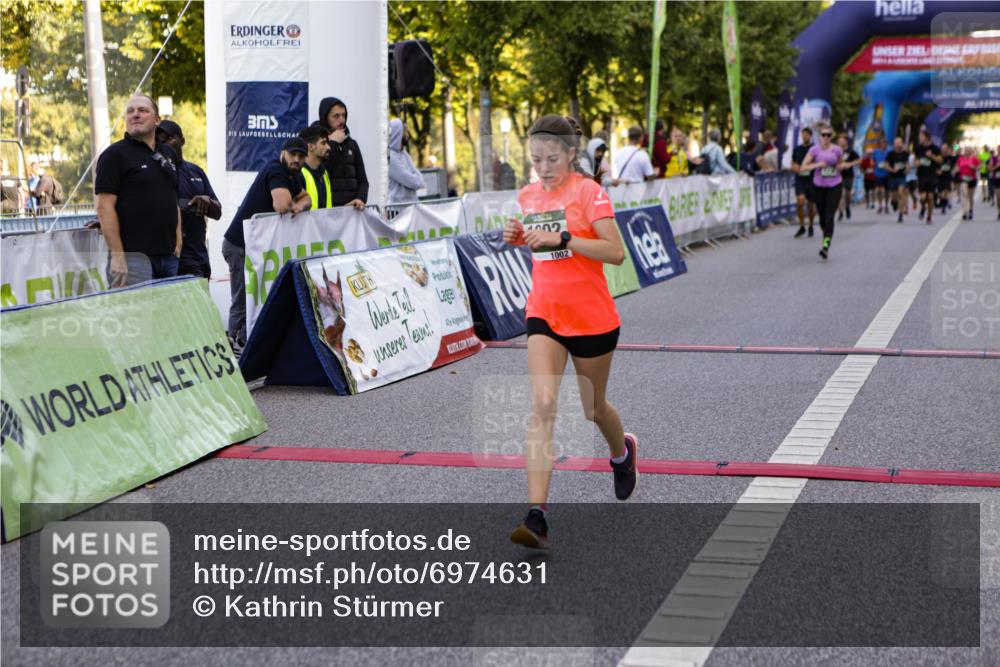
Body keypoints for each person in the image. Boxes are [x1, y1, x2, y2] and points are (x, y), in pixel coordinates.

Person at [501, 115, 634, 549]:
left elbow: (615, 253)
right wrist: (517, 236)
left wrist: (564, 239)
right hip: (545, 314)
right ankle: (536, 516)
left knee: (593, 409)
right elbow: (536, 245)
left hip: (593, 319)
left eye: (552, 158)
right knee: (542, 404)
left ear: (571, 154)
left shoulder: (589, 193)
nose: (543, 167)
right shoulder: (527, 195)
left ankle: (622, 453)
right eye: (536, 158)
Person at [222, 138, 312, 348]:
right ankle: (235, 346)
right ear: (283, 153)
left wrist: (298, 206)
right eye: (293, 155)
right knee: (243, 299)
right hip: (238, 245)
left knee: (255, 296)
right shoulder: (276, 170)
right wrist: (294, 204)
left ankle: (245, 343)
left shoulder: (293, 175)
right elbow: (281, 205)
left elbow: (306, 199)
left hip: (254, 245)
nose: (296, 160)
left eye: (301, 156)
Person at [95, 94, 182, 288]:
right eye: (130, 111)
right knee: (135, 318)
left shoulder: (168, 154)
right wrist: (118, 256)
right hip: (133, 260)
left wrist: (178, 242)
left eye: (143, 110)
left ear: (157, 120)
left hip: (168, 258)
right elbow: (104, 208)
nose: (135, 115)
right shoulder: (113, 156)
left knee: (165, 317)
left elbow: (173, 198)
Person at [156, 119, 222, 278]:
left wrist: (207, 202)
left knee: (203, 301)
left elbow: (218, 212)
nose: (164, 143)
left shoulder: (196, 171)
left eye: (169, 138)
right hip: (176, 258)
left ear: (182, 141)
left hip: (200, 254)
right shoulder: (155, 172)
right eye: (160, 140)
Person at [800, 124, 843, 260]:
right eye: (823, 135)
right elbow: (803, 167)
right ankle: (826, 232)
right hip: (818, 186)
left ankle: (826, 246)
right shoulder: (814, 150)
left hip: (834, 185)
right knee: (822, 217)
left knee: (830, 215)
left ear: (831, 137)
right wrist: (817, 165)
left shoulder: (837, 150)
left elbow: (840, 165)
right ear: (819, 137)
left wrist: (841, 166)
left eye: (828, 135)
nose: (826, 137)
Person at [316, 97, 368, 209]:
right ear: (325, 118)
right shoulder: (316, 143)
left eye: (344, 115)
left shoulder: (352, 144)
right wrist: (333, 143)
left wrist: (360, 199)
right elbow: (320, 173)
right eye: (336, 116)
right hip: (329, 211)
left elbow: (363, 181)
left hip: (352, 211)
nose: (342, 120)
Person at [386, 119, 425, 203]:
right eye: (406, 131)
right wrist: (416, 180)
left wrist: (417, 180)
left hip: (411, 205)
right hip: (396, 209)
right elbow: (411, 181)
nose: (408, 135)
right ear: (398, 133)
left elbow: (419, 177)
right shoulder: (390, 157)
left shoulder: (405, 154)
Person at [297, 124, 334, 209]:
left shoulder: (324, 173)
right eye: (323, 143)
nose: (329, 147)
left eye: (327, 143)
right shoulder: (298, 174)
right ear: (310, 147)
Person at [791, 127, 817, 237]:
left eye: (806, 134)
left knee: (811, 206)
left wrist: (810, 168)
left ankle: (811, 224)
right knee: (800, 202)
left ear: (810, 136)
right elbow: (793, 163)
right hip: (800, 179)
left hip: (812, 180)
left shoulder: (815, 149)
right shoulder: (797, 149)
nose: (804, 136)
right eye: (803, 135)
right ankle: (802, 226)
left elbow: (819, 163)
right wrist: (795, 167)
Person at [913, 129, 942, 225]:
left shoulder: (935, 148)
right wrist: (916, 163)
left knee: (930, 197)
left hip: (932, 175)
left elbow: (940, 160)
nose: (919, 138)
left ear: (926, 137)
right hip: (921, 175)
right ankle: (923, 207)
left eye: (921, 137)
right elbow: (915, 159)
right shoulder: (918, 148)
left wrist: (932, 156)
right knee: (922, 197)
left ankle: (929, 216)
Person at [885, 137, 910, 223]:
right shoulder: (890, 154)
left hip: (901, 177)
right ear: (894, 144)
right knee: (894, 197)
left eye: (899, 143)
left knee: (901, 193)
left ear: (902, 144)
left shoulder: (905, 154)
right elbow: (886, 165)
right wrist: (892, 170)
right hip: (892, 177)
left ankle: (900, 215)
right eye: (896, 143)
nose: (898, 144)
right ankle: (894, 203)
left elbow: (908, 164)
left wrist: (907, 170)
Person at [836, 134, 860, 221]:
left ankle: (847, 206)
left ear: (846, 142)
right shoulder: (835, 151)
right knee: (840, 194)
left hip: (848, 175)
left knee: (847, 194)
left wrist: (850, 164)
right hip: (838, 175)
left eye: (842, 141)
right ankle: (840, 212)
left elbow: (858, 159)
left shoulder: (851, 151)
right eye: (839, 141)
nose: (840, 143)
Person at [956, 146, 981, 220]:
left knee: (970, 197)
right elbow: (957, 166)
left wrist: (974, 167)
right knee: (964, 194)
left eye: (968, 150)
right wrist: (956, 170)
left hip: (972, 179)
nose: (966, 152)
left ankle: (970, 209)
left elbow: (980, 166)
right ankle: (965, 212)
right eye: (965, 150)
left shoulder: (974, 158)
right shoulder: (960, 158)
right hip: (963, 178)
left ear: (971, 151)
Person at [936, 143, 956, 215]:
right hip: (939, 177)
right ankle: (943, 201)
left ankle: (943, 206)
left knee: (946, 191)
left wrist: (954, 170)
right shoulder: (939, 158)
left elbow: (955, 166)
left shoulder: (951, 158)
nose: (944, 151)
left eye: (945, 149)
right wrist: (937, 171)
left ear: (948, 150)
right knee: (939, 193)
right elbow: (935, 167)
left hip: (948, 177)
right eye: (942, 149)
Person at [872, 138, 890, 214]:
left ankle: (886, 205)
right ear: (880, 144)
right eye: (882, 143)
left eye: (885, 143)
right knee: (879, 190)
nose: (883, 145)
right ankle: (880, 205)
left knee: (886, 191)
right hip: (878, 173)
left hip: (887, 174)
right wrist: (872, 164)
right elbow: (872, 161)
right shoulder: (876, 151)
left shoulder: (889, 152)